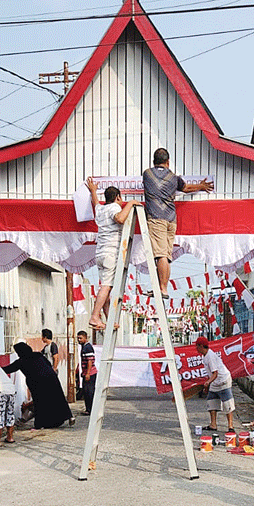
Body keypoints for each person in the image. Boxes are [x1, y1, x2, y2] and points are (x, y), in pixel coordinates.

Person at [142, 148, 213, 298]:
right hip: (171, 219)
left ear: (154, 161)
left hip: (156, 218)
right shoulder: (173, 177)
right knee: (166, 256)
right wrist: (201, 186)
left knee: (160, 255)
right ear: (168, 162)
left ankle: (162, 289)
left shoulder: (147, 174)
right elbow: (186, 188)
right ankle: (163, 287)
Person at [86, 177, 142, 330]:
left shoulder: (101, 209)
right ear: (118, 197)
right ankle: (94, 316)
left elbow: (95, 202)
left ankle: (108, 320)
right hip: (110, 253)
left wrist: (93, 190)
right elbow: (120, 219)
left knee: (106, 288)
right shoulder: (114, 208)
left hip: (100, 254)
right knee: (106, 287)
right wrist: (130, 203)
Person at [3, 342, 74, 429]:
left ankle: (40, 424)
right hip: (51, 378)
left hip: (37, 382)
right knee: (58, 397)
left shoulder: (21, 361)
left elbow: (8, 369)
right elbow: (48, 363)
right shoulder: (38, 355)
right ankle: (69, 416)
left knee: (40, 402)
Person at [195, 336, 234, 432]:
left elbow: (215, 373)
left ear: (201, 346)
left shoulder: (210, 357)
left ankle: (230, 426)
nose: (196, 348)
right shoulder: (205, 356)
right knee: (211, 403)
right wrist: (208, 385)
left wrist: (208, 382)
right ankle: (213, 425)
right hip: (214, 382)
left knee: (227, 404)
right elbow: (211, 374)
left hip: (223, 380)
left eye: (197, 346)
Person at [78, 330, 97, 415]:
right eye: (78, 338)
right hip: (86, 373)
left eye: (80, 338)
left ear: (85, 338)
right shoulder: (84, 347)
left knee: (89, 392)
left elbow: (90, 361)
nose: (79, 340)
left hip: (90, 373)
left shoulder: (87, 347)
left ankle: (90, 410)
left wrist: (88, 373)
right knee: (86, 392)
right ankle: (89, 409)